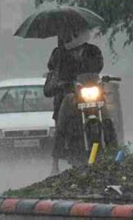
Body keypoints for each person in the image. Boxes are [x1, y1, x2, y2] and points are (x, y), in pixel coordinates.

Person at [44, 28, 104, 175]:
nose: (69, 37)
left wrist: (82, 62)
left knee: (107, 113)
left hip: (89, 94)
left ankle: (111, 149)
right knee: (61, 125)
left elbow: (98, 68)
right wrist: (60, 83)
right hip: (68, 95)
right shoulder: (58, 54)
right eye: (65, 35)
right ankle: (55, 163)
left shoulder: (93, 51)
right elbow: (53, 73)